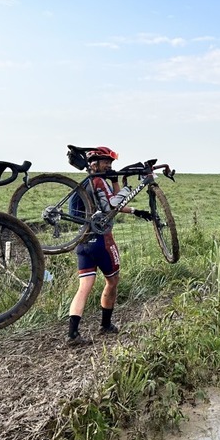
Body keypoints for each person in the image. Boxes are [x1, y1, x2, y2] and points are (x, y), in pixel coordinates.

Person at [67, 147, 150, 346]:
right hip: (102, 241)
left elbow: (109, 205)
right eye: (106, 162)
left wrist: (135, 211)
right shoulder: (98, 180)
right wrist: (126, 188)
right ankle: (105, 325)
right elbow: (111, 206)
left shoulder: (87, 182)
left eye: (111, 163)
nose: (110, 165)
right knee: (112, 281)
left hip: (84, 240)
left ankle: (72, 334)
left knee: (84, 287)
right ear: (94, 163)